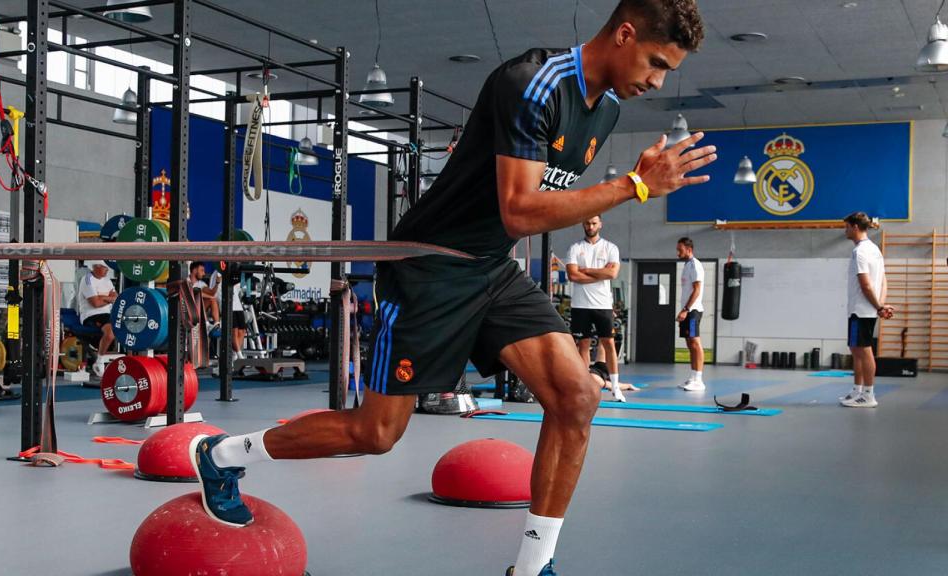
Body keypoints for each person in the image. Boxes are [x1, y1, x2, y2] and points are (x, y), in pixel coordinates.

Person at [191, 2, 712, 575]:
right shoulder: (532, 83)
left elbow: (527, 215)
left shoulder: (606, 109)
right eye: (656, 62)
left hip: (491, 268)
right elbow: (519, 210)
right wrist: (633, 185)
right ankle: (220, 454)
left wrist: (628, 184)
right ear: (625, 33)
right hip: (430, 269)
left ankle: (533, 566)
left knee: (577, 396)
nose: (657, 81)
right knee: (376, 433)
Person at [565, 215, 627, 402]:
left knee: (608, 344)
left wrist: (585, 270)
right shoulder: (575, 248)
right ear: (583, 224)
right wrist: (601, 273)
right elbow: (573, 276)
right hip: (580, 305)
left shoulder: (610, 248)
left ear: (600, 224)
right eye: (587, 223)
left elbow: (613, 273)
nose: (590, 226)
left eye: (594, 223)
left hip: (602, 305)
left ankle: (615, 387)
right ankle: (584, 385)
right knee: (582, 345)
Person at [840, 212, 892, 408]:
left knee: (864, 351)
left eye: (846, 227)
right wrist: (880, 306)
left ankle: (869, 395)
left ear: (854, 227)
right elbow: (884, 282)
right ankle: (857, 391)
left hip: (861, 310)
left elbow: (866, 285)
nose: (845, 231)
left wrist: (878, 306)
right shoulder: (874, 250)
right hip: (864, 309)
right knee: (856, 350)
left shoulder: (860, 252)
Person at [77, 260, 116, 377]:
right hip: (91, 314)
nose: (107, 270)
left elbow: (115, 296)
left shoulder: (107, 280)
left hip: (107, 313)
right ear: (96, 267)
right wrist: (108, 298)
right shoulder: (87, 279)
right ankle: (99, 362)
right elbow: (95, 303)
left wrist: (102, 297)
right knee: (110, 333)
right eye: (105, 268)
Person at [676, 237, 705, 391]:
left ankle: (699, 380)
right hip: (688, 311)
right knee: (689, 344)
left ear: (689, 249)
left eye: (680, 249)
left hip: (693, 311)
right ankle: (693, 377)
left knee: (695, 343)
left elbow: (697, 290)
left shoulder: (695, 265)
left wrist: (686, 310)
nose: (677, 252)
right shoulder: (687, 265)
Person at [209, 267, 247, 362]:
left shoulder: (232, 271)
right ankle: (240, 356)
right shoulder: (216, 274)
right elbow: (212, 292)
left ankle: (235, 354)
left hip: (238, 305)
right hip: (227, 304)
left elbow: (239, 287)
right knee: (233, 331)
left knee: (242, 331)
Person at [188, 261, 218, 333]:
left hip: (200, 309)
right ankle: (207, 325)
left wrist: (217, 283)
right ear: (195, 270)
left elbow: (212, 293)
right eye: (202, 270)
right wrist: (203, 294)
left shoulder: (201, 284)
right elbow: (195, 293)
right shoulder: (186, 281)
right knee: (199, 296)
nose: (204, 273)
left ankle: (216, 325)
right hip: (188, 309)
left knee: (212, 299)